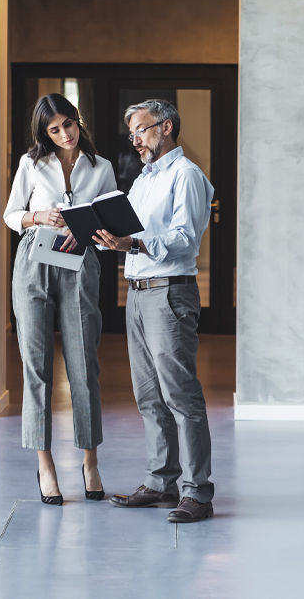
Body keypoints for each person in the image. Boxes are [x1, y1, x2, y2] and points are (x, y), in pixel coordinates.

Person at [94, 98, 215, 524]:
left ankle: (197, 492)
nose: (136, 140)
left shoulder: (186, 176)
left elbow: (184, 238)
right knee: (148, 397)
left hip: (169, 294)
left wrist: (135, 243)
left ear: (165, 127)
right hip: (138, 292)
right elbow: (134, 233)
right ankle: (161, 482)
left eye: (142, 130)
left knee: (181, 396)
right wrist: (106, 236)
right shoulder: (144, 179)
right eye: (132, 133)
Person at [4, 93, 116, 505]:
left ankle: (90, 462)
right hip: (34, 258)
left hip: (80, 261)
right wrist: (38, 216)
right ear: (44, 133)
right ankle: (45, 464)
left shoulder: (100, 167)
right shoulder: (31, 164)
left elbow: (109, 218)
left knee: (85, 365)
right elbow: (11, 213)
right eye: (55, 129)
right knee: (36, 366)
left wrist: (88, 229)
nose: (65, 134)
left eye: (69, 124)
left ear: (77, 121)